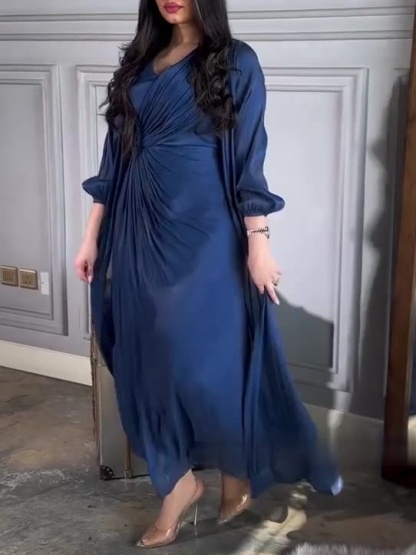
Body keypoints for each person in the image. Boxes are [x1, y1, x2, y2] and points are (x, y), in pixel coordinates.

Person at [75, 0, 342, 549]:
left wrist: (258, 240)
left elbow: (248, 155)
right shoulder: (138, 62)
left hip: (205, 230)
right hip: (136, 224)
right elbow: (114, 157)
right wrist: (91, 234)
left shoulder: (235, 60)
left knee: (205, 363)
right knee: (143, 358)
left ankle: (236, 469)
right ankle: (179, 484)